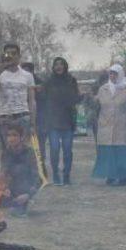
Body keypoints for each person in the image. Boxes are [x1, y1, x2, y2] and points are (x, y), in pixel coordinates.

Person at [92, 64, 126, 186]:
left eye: (115, 74)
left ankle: (123, 175)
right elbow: (97, 107)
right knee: (109, 151)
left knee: (121, 151)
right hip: (106, 124)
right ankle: (110, 174)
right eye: (111, 74)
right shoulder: (103, 89)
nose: (112, 76)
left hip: (123, 125)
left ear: (120, 75)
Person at [43, 57, 80, 185]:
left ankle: (66, 175)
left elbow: (75, 98)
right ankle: (56, 175)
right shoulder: (48, 82)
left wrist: (81, 97)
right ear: (53, 67)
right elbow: (43, 100)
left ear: (65, 66)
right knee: (54, 149)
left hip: (67, 121)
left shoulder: (71, 80)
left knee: (67, 150)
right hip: (53, 121)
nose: (59, 67)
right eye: (56, 64)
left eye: (61, 64)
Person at [0, 44, 36, 147]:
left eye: (14, 53)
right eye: (8, 53)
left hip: (23, 116)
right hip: (6, 117)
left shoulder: (27, 75)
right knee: (7, 150)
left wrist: (33, 123)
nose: (11, 56)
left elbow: (32, 100)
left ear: (19, 56)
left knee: (25, 149)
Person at [0, 125, 41, 216]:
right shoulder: (6, 153)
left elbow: (38, 177)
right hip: (11, 187)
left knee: (21, 170)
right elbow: (3, 172)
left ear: (21, 137)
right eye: (9, 136)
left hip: (25, 186)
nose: (11, 139)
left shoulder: (29, 152)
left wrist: (28, 194)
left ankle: (26, 201)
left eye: (14, 135)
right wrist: (5, 188)